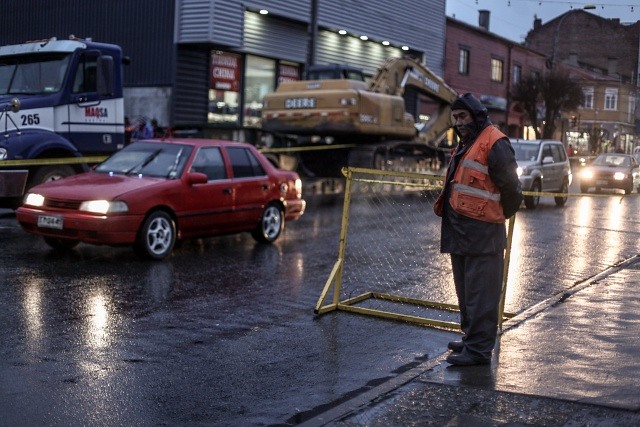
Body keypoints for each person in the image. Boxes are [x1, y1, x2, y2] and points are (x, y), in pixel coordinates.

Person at [433, 93, 523, 366]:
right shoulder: (467, 143)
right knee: (466, 291)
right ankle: (471, 339)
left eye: (463, 117)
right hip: (461, 231)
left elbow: (512, 190)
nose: (459, 123)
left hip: (483, 232)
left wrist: (496, 215)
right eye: (455, 118)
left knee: (482, 294)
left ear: (476, 115)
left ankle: (479, 350)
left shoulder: (494, 142)